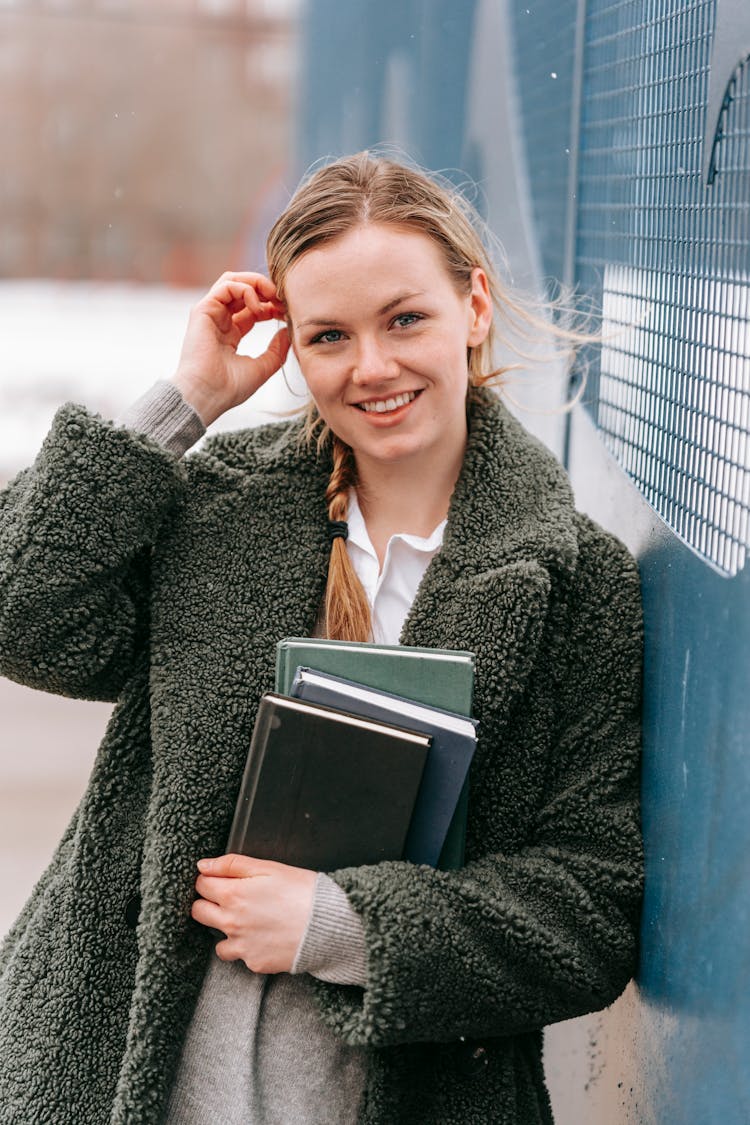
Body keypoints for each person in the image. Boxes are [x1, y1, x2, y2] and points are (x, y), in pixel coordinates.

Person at [0, 153, 643, 1125]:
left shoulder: (576, 581)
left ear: (473, 309)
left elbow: (588, 907)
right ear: (292, 348)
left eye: (405, 319)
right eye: (329, 335)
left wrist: (342, 926)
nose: (371, 367)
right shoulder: (222, 506)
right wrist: (186, 403)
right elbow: (25, 614)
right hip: (126, 1076)